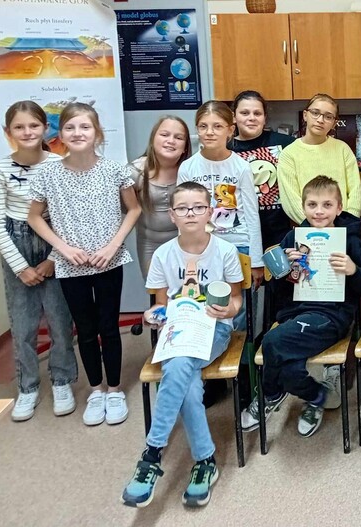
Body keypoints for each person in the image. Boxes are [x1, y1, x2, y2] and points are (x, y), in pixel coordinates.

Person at [121, 182, 244, 508]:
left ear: (210, 212)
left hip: (214, 329)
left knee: (178, 366)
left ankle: (152, 454)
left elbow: (236, 301)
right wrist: (152, 315)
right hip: (176, 332)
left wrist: (227, 310)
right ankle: (205, 460)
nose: (191, 213)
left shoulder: (224, 251)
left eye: (198, 207)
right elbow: (161, 305)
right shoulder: (163, 255)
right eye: (183, 208)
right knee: (185, 378)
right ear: (172, 215)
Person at [27, 102, 141, 427]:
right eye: (70, 127)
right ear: (60, 134)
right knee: (86, 329)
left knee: (109, 326)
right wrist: (62, 249)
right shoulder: (48, 173)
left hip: (109, 261)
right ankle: (96, 390)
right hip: (70, 265)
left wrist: (113, 246)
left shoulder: (114, 170)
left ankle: (115, 390)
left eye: (85, 127)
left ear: (97, 133)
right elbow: (34, 216)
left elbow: (133, 209)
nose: (78, 133)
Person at [241, 176, 361, 437]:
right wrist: (283, 270)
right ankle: (316, 396)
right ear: (303, 207)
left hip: (331, 316)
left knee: (272, 342)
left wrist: (353, 270)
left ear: (339, 208)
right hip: (293, 314)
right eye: (312, 205)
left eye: (327, 205)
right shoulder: (292, 238)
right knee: (289, 364)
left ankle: (270, 393)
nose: (319, 211)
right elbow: (277, 292)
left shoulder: (350, 241)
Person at [0, 100, 76, 422]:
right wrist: (20, 267)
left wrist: (54, 258)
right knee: (23, 325)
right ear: (8, 132)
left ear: (45, 128)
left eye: (34, 125)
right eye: (19, 127)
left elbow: (66, 218)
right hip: (17, 243)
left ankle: (62, 380)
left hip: (54, 241)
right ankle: (27, 386)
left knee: (60, 321)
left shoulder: (59, 164)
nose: (27, 132)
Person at [178, 100, 263, 286]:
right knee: (204, 299)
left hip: (238, 244)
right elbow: (182, 214)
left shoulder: (241, 167)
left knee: (237, 301)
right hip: (201, 246)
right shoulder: (187, 168)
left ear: (230, 130)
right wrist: (185, 252)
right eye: (203, 126)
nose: (209, 132)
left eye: (217, 126)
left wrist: (256, 260)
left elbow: (251, 213)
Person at [279, 93, 361, 225]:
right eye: (315, 113)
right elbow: (291, 201)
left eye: (328, 116)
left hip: (344, 227)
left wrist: (345, 223)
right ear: (305, 115)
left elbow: (355, 192)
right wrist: (316, 223)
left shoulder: (342, 149)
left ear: (334, 123)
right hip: (308, 228)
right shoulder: (289, 154)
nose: (320, 120)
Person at [229, 90, 295, 251]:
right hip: (241, 236)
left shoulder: (286, 144)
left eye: (257, 113)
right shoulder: (225, 150)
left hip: (280, 235)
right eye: (245, 113)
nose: (251, 118)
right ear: (234, 117)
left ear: (265, 118)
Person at [129, 116, 192, 278]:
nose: (171, 141)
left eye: (178, 138)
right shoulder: (135, 172)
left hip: (187, 243)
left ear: (185, 147)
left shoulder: (191, 170)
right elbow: (125, 211)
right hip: (150, 245)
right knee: (157, 289)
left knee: (188, 289)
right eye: (164, 135)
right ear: (153, 139)